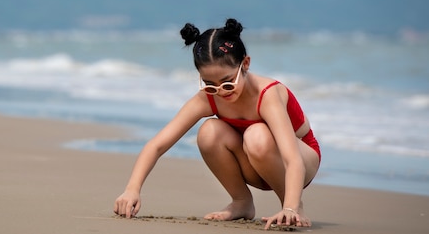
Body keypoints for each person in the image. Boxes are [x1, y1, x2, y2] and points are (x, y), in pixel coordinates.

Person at [113, 18, 321, 230]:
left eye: (228, 82)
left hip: (299, 164)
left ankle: (292, 206)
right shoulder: (208, 98)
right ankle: (242, 202)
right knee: (208, 131)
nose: (221, 91)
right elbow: (157, 145)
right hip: (254, 163)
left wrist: (292, 207)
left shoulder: (267, 95)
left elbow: (292, 158)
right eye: (210, 84)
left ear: (245, 64)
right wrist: (132, 189)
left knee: (256, 134)